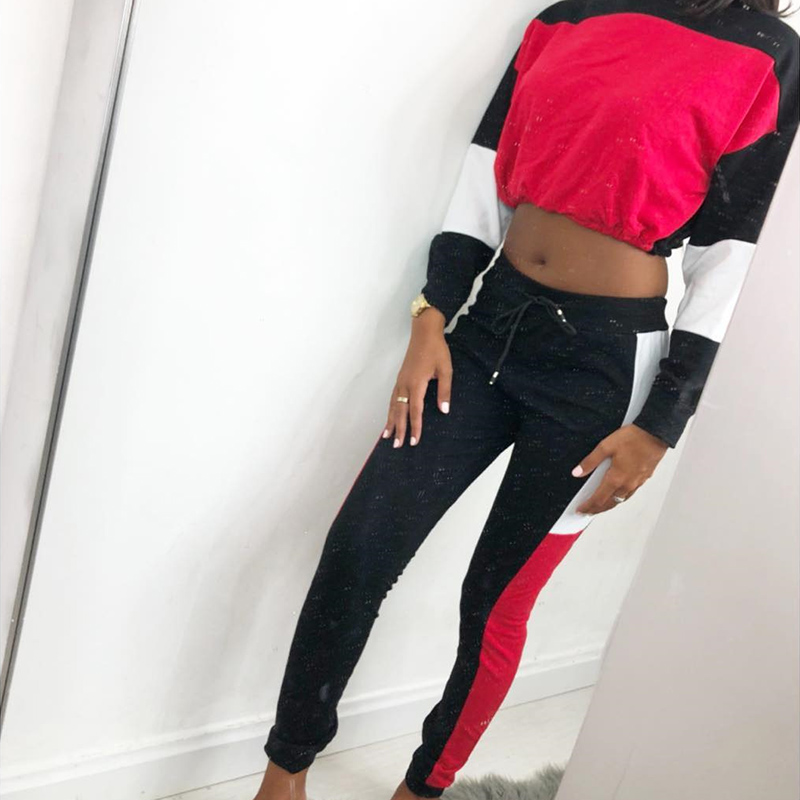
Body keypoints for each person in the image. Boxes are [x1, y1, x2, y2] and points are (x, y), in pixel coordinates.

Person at [253, 0, 799, 798]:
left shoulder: (767, 51)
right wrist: (432, 314)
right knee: (358, 550)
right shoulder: (569, 17)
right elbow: (484, 179)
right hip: (485, 330)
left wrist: (661, 423)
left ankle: (420, 791)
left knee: (496, 603)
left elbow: (733, 253)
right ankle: (283, 777)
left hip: (606, 369)